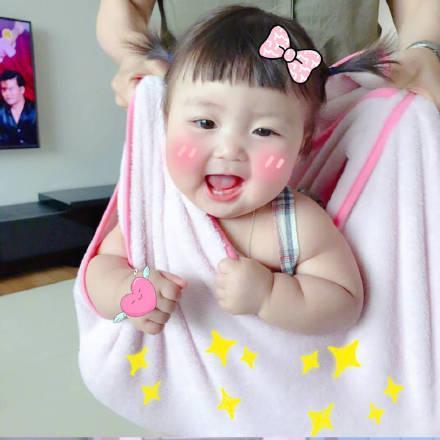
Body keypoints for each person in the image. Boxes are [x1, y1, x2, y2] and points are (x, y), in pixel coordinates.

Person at [77, 5, 402, 433]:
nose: (229, 149)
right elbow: (101, 266)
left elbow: (344, 301)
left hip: (279, 402)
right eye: (205, 122)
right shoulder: (159, 206)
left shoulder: (297, 222)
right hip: (191, 398)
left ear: (302, 146)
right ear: (165, 124)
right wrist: (126, 291)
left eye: (264, 131)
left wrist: (270, 294)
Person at [96, 0, 440, 108]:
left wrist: (424, 49)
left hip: (355, 115)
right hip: (207, 124)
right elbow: (124, 5)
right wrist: (132, 54)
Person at [0, 70, 37, 147]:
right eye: (4, 89)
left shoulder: (36, 110)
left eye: (11, 89)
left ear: (22, 90)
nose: (7, 94)